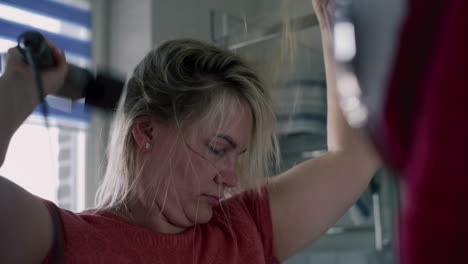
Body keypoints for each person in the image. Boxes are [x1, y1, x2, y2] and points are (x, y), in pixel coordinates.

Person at [0, 1, 380, 263]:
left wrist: (336, 19)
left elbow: (354, 157)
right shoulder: (65, 242)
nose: (231, 177)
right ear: (146, 131)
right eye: (217, 148)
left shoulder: (243, 230)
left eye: (239, 156)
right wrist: (18, 88)